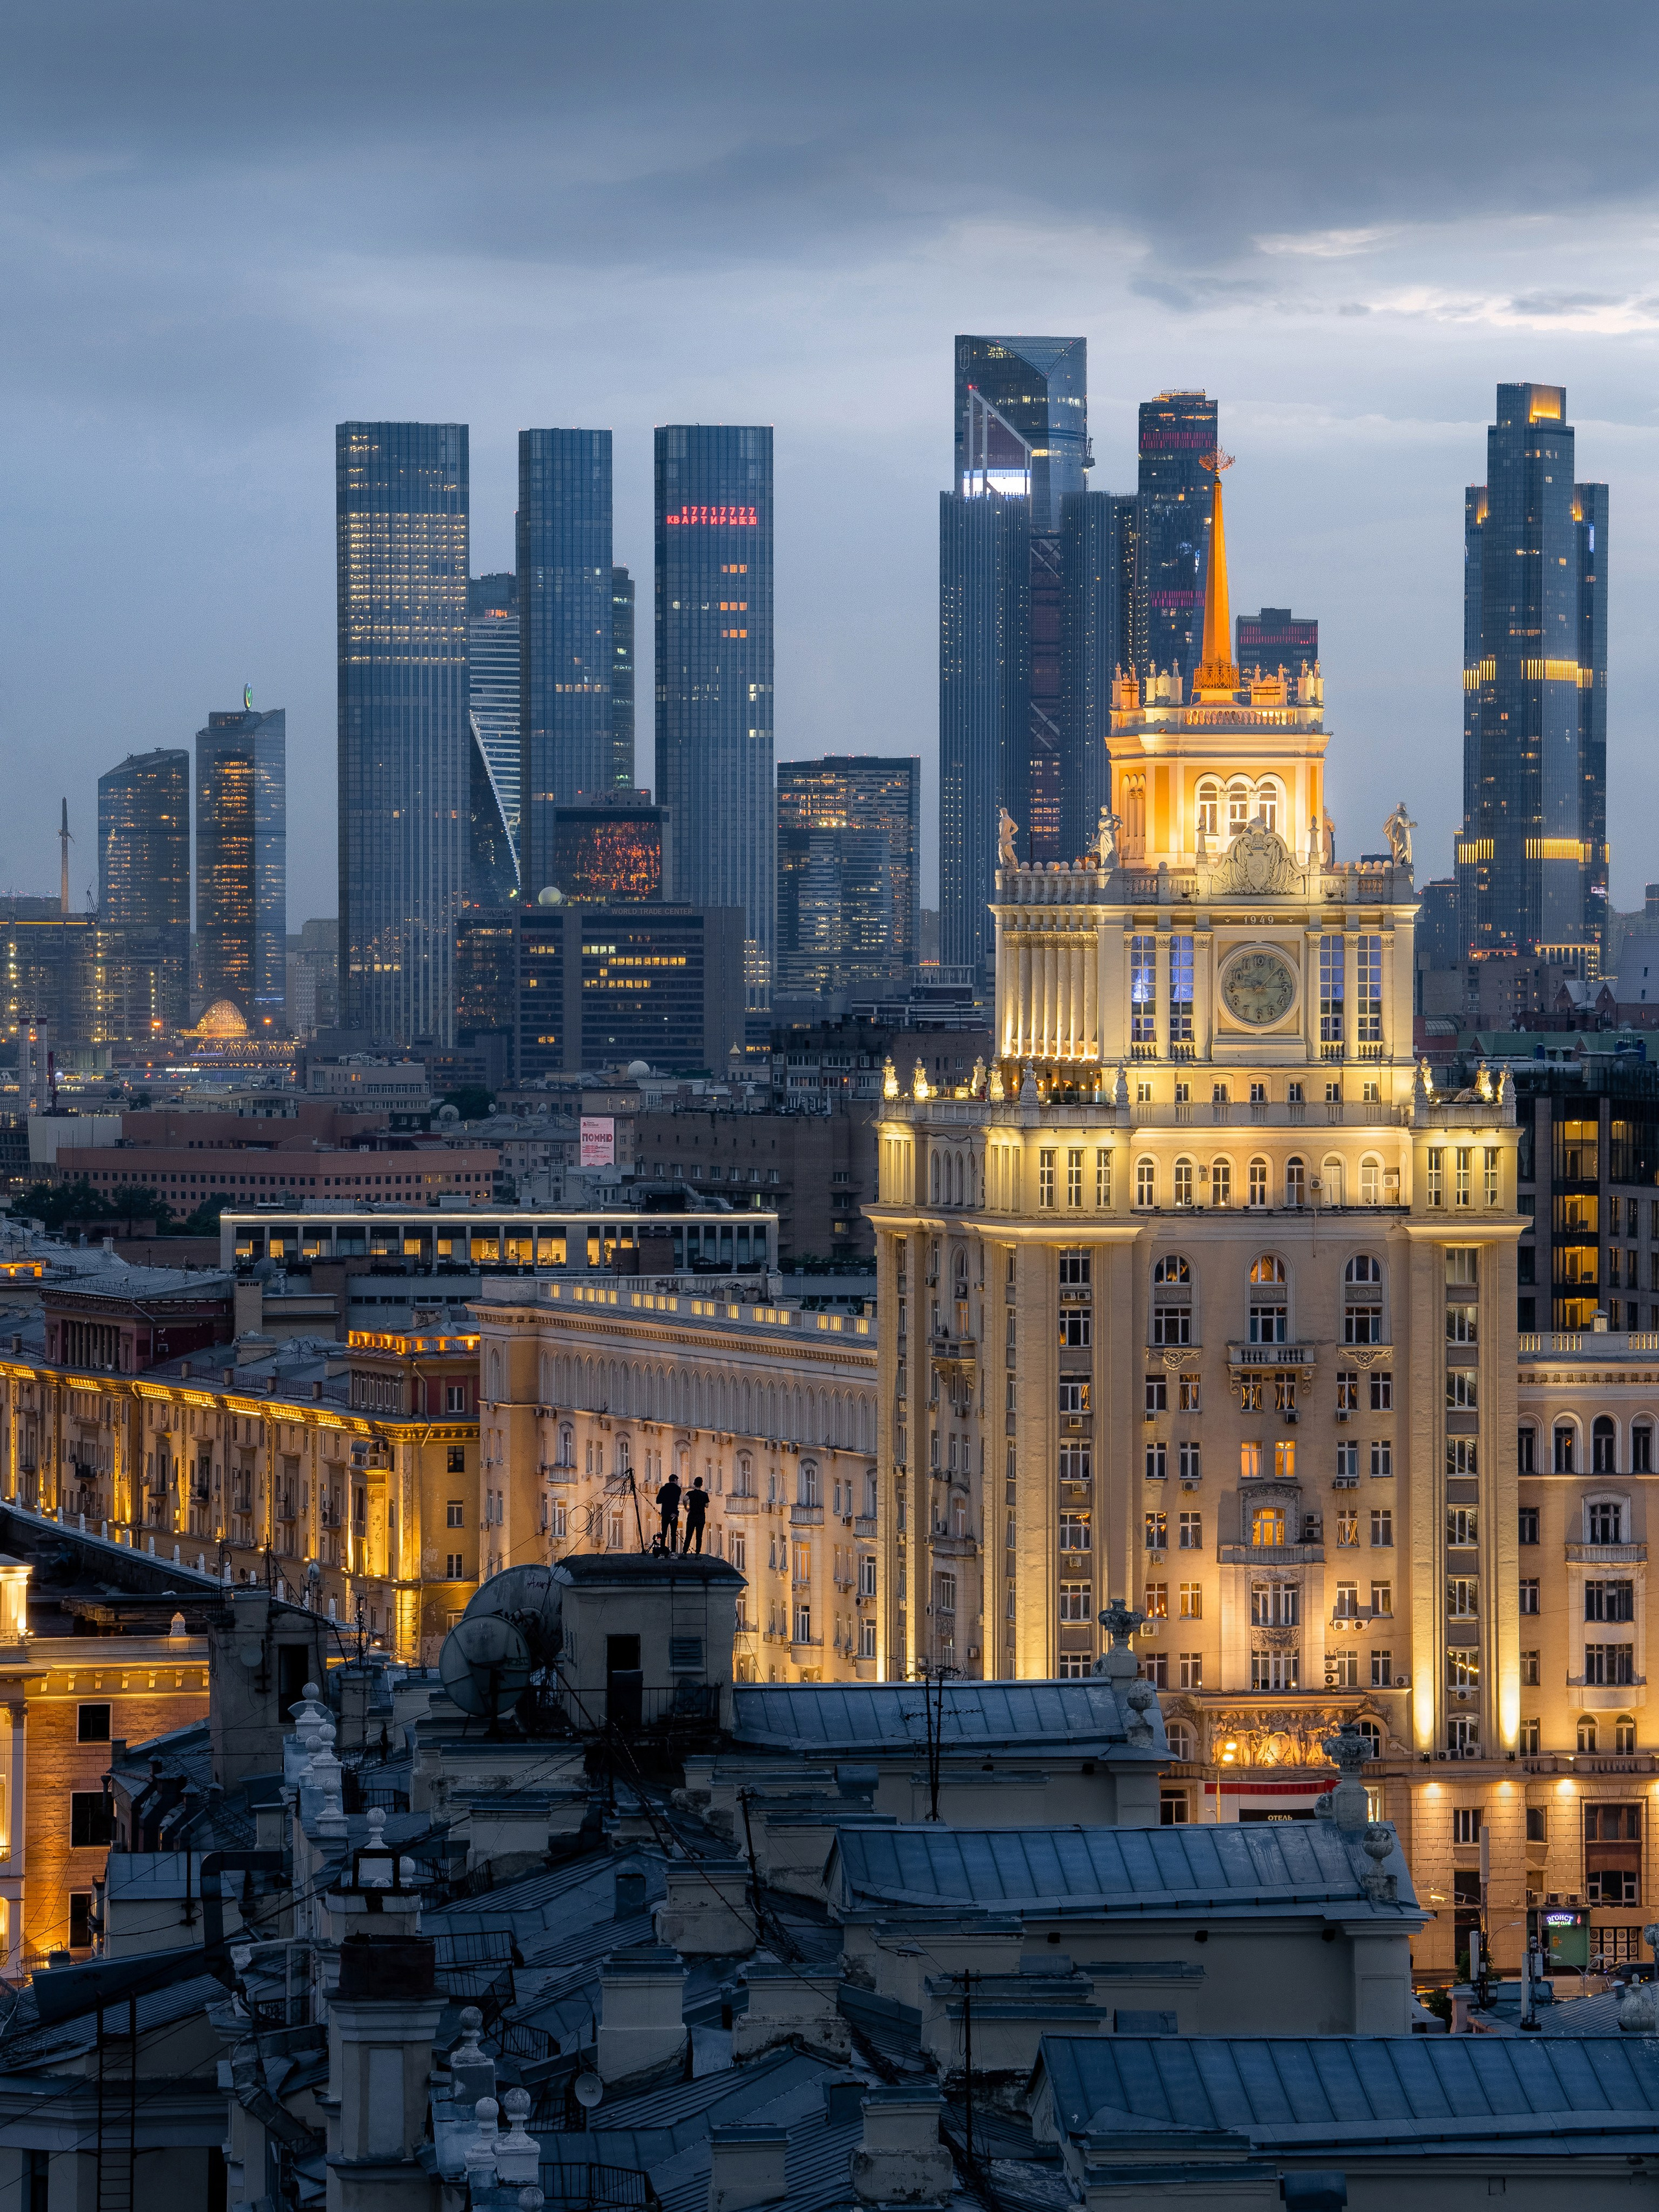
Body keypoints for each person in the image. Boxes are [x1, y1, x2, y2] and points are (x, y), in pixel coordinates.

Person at [656, 1470, 682, 1552]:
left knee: (664, 1534)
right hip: (674, 1514)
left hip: (665, 1513)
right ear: (675, 1480)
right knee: (673, 1534)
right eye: (677, 1481)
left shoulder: (663, 1489)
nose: (677, 1482)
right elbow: (676, 1501)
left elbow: (658, 1501)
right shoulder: (678, 1489)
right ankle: (673, 1552)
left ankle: (662, 1553)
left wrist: (665, 1499)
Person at [682, 1475, 708, 1554]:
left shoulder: (690, 1493)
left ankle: (684, 1552)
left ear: (694, 1484)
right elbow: (707, 1505)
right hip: (701, 1517)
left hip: (692, 1516)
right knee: (699, 1536)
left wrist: (686, 1507)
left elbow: (685, 1499)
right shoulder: (704, 1494)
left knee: (689, 1535)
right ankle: (697, 1553)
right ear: (702, 1484)